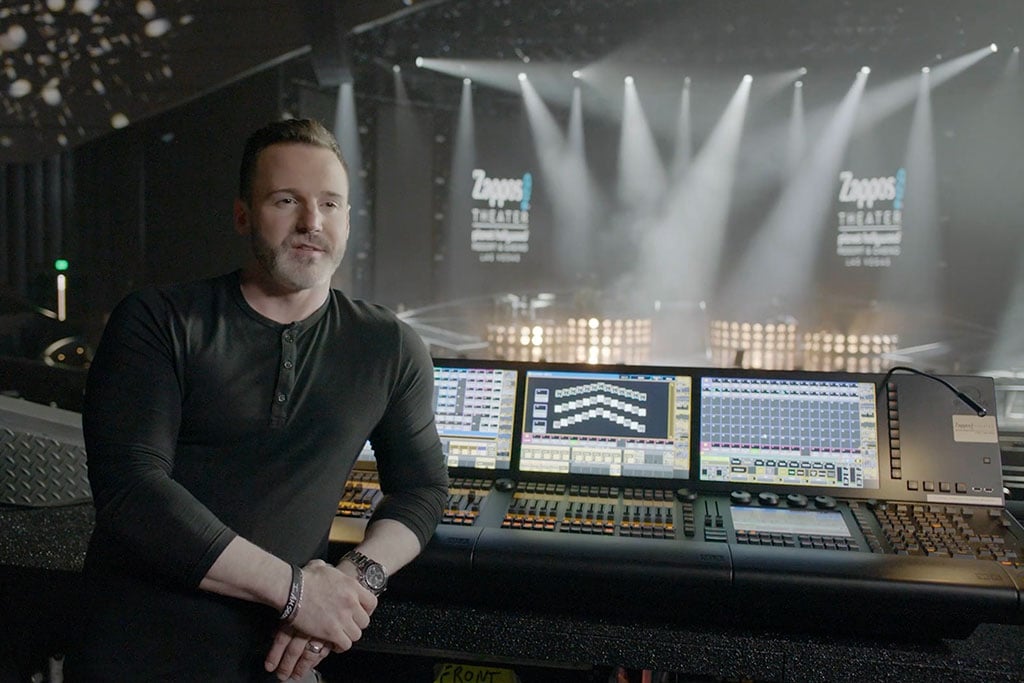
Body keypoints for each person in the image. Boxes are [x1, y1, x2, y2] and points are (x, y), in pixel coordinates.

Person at [67, 118, 449, 681]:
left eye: (330, 204)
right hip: (138, 652)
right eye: (286, 200)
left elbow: (422, 489)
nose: (310, 223)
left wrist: (354, 580)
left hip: (279, 659)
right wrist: (298, 594)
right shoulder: (158, 320)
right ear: (243, 214)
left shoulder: (388, 345)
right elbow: (133, 493)